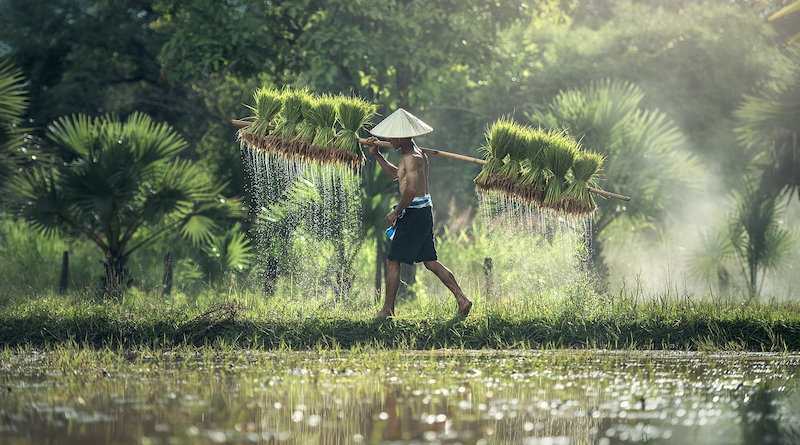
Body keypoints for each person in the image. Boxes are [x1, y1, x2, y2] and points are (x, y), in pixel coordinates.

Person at [365, 108, 473, 318]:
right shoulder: (413, 155)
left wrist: (396, 212)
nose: (388, 139)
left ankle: (387, 310)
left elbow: (412, 190)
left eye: (391, 136)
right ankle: (462, 299)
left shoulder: (412, 157)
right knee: (430, 262)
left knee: (392, 260)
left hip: (414, 213)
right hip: (423, 211)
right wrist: (376, 154)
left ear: (400, 136)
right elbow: (397, 176)